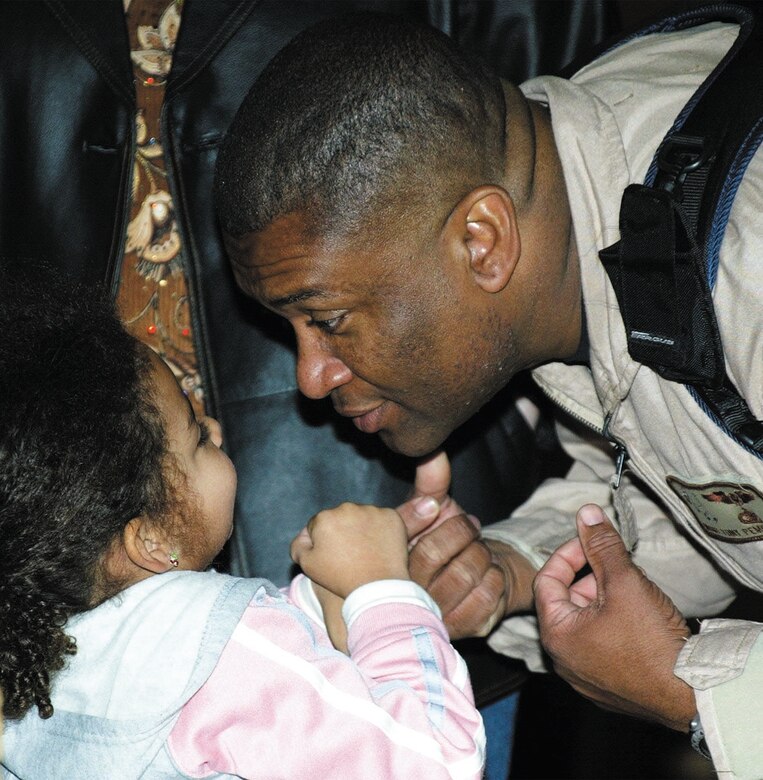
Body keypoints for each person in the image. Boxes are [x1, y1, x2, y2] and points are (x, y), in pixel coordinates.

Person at [213, 9, 763, 777]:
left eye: (328, 319)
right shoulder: (565, 173)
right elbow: (712, 473)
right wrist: (511, 568)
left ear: (482, 240)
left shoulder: (744, 268)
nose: (311, 377)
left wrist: (695, 689)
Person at [0, 270, 485, 779]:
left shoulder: (35, 677)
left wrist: (333, 600)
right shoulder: (227, 655)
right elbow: (439, 764)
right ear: (150, 538)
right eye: (195, 437)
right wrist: (384, 590)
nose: (214, 428)